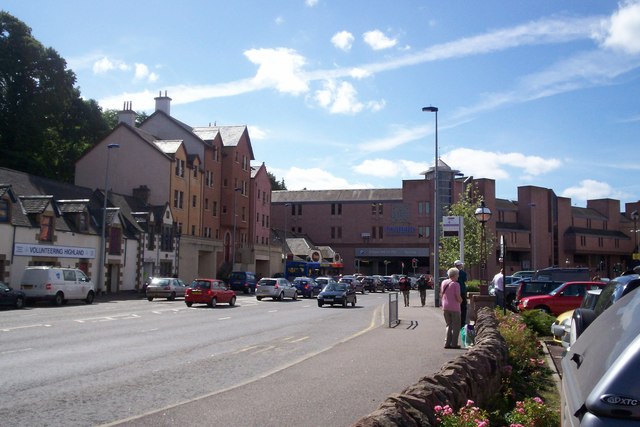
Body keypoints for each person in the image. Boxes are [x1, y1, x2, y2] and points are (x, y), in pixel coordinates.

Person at [440, 267, 462, 349]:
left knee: (448, 325)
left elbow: (441, 293)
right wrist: (461, 301)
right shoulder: (456, 284)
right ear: (455, 275)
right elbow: (458, 296)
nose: (458, 276)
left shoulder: (444, 282)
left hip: (445, 306)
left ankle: (447, 343)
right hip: (454, 307)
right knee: (456, 326)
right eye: (457, 274)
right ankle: (454, 344)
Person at [454, 260, 468, 325]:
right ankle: (462, 322)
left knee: (455, 307)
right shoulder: (463, 273)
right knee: (463, 307)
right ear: (459, 265)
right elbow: (465, 280)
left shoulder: (451, 272)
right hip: (461, 291)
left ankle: (455, 322)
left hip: (453, 291)